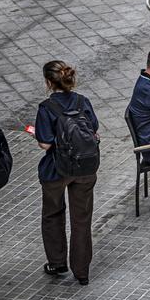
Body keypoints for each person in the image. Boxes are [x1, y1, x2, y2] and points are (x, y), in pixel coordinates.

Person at [33, 61, 98, 286]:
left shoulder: (46, 108)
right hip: (84, 167)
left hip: (56, 169)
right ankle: (82, 271)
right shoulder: (83, 102)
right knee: (81, 219)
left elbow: (45, 143)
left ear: (49, 83)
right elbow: (93, 129)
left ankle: (57, 262)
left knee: (53, 214)